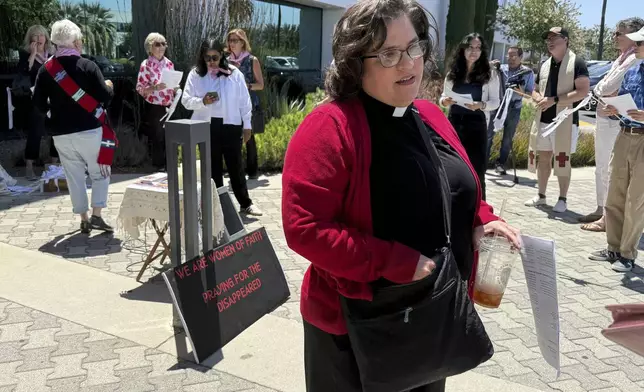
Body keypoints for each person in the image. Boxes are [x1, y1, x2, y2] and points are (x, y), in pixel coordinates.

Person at [281, 1, 521, 390]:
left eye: (414, 47)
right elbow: (304, 228)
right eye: (389, 53)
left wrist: (482, 221)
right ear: (355, 61)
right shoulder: (328, 127)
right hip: (360, 330)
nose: (409, 63)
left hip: (430, 318)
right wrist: (394, 262)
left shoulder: (429, 113)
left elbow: (457, 188)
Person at [32, 19, 115, 234]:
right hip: (89, 130)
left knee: (74, 177)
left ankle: (84, 219)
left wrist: (55, 111)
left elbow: (39, 105)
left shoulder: (45, 70)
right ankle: (96, 215)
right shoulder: (88, 66)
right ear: (76, 42)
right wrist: (109, 86)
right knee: (99, 173)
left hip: (61, 134)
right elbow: (105, 98)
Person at [182, 39, 263, 216]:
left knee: (236, 167)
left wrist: (247, 125)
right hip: (206, 125)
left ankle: (245, 203)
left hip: (231, 125)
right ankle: (217, 207)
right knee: (212, 169)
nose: (211, 61)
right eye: (207, 57)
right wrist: (202, 101)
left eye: (215, 57)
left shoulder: (234, 73)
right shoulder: (195, 74)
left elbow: (244, 101)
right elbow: (186, 100)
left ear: (222, 54)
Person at [580, 17, 644, 232]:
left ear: (634, 35)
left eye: (619, 33)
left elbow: (609, 87)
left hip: (618, 120)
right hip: (606, 114)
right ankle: (602, 209)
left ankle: (608, 218)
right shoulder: (622, 57)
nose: (614, 37)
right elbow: (602, 87)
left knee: (610, 170)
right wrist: (601, 89)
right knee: (601, 168)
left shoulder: (635, 59)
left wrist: (601, 89)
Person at [525, 27, 590, 213]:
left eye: (555, 38)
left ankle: (562, 199)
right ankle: (541, 196)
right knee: (544, 158)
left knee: (562, 160)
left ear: (566, 40)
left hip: (565, 121)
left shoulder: (577, 62)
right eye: (548, 39)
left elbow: (583, 91)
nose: (550, 42)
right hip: (543, 119)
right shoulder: (545, 64)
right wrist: (537, 97)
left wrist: (554, 100)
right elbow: (535, 88)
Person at [440, 33, 500, 200]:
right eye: (470, 48)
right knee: (454, 167)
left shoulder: (490, 73)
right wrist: (444, 101)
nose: (473, 51)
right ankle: (455, 204)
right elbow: (443, 96)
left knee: (476, 169)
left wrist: (480, 105)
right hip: (454, 123)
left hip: (476, 124)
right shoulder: (454, 71)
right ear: (463, 49)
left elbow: (495, 102)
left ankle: (480, 211)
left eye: (477, 48)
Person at [17, 25, 59, 179]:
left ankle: (53, 165)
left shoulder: (53, 55)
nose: (39, 38)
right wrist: (33, 55)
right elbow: (24, 73)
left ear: (46, 38)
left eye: (42, 35)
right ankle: (29, 166)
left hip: (53, 98)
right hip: (36, 99)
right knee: (36, 131)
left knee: (57, 130)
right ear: (31, 39)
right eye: (35, 35)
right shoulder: (25, 54)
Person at [486, 46, 535, 175]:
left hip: (514, 108)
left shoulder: (528, 72)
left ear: (520, 57)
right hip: (498, 106)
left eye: (514, 56)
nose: (510, 58)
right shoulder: (500, 69)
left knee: (508, 138)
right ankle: (483, 163)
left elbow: (531, 93)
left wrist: (521, 91)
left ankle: (501, 164)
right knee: (489, 134)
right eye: (509, 55)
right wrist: (489, 66)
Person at [226, 28, 264, 180]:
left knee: (249, 137)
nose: (232, 43)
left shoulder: (251, 60)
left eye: (235, 40)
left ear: (243, 42)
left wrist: (246, 86)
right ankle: (235, 170)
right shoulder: (226, 61)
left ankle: (253, 171)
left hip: (248, 102)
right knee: (233, 137)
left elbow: (260, 85)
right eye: (230, 40)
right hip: (231, 104)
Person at [136, 32, 176, 169]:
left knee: (169, 135)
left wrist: (176, 87)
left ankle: (169, 164)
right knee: (158, 135)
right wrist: (154, 87)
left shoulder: (169, 64)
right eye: (157, 44)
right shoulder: (146, 65)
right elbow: (140, 89)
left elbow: (172, 83)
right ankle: (159, 165)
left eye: (164, 43)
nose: (161, 47)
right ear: (150, 47)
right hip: (154, 105)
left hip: (169, 104)